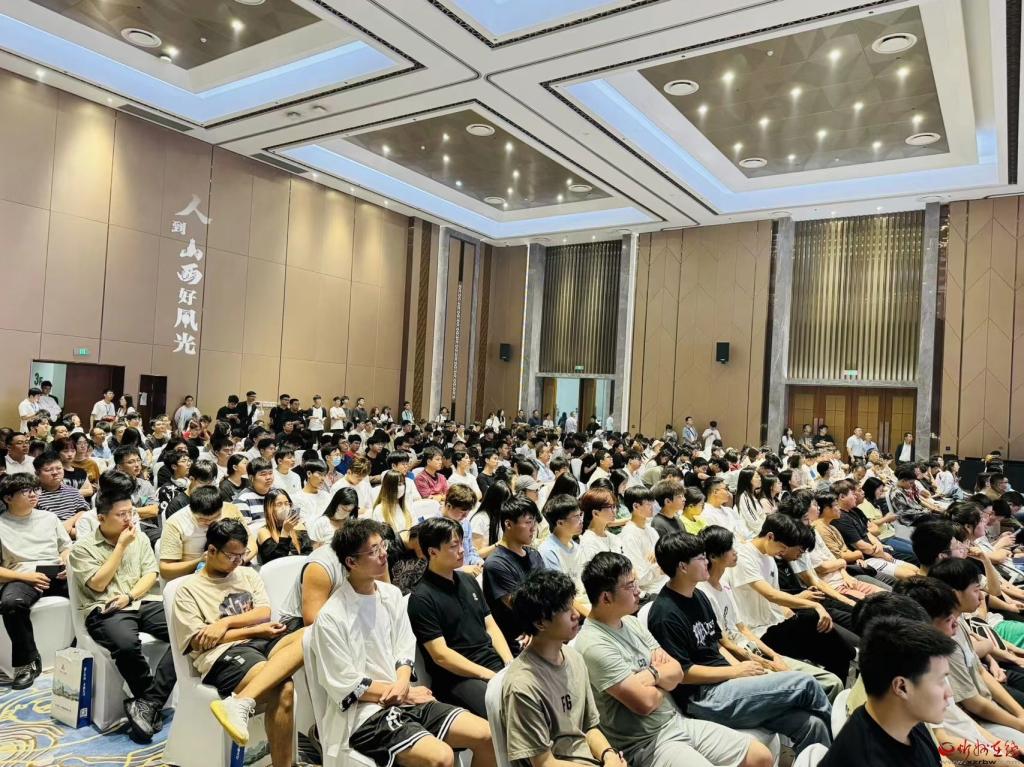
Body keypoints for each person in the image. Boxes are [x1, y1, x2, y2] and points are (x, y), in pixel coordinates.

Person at [307, 518, 496, 767]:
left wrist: (403, 685)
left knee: (487, 735)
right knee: (441, 757)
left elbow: (404, 648)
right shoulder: (331, 616)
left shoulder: (391, 594)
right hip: (364, 714)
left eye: (383, 546)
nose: (384, 554)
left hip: (404, 695)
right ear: (351, 562)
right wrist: (403, 692)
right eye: (373, 551)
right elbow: (346, 683)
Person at [575, 552, 772, 767]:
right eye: (630, 586)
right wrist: (660, 675)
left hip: (676, 721)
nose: (638, 591)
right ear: (606, 598)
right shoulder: (594, 644)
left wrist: (651, 676)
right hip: (646, 742)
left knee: (760, 756)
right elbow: (645, 703)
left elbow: (677, 671)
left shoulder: (631, 623)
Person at [647, 530, 832, 754]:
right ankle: (849, 752)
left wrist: (743, 670)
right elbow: (684, 674)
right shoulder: (664, 614)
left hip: (728, 683)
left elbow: (716, 644)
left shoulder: (698, 595)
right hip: (705, 697)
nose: (707, 562)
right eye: (701, 558)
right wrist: (735, 671)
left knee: (813, 725)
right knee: (805, 684)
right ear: (683, 567)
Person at [171, 519, 306, 764]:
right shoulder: (188, 589)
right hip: (223, 655)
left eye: (242, 555)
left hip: (260, 638)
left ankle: (241, 702)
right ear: (212, 550)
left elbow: (263, 612)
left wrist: (224, 624)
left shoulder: (246, 573)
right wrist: (252, 630)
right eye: (232, 556)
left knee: (313, 633)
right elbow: (199, 641)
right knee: (283, 687)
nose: (238, 561)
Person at [68, 472, 175, 743]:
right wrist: (120, 547)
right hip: (105, 609)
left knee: (186, 630)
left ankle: (149, 702)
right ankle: (148, 698)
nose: (129, 519)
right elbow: (98, 584)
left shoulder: (140, 538)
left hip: (139, 601)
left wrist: (130, 596)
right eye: (121, 514)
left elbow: (150, 574)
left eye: (131, 512)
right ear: (101, 518)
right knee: (126, 646)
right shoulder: (82, 548)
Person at [502, 568, 626, 767]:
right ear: (540, 622)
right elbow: (544, 763)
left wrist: (609, 755)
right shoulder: (522, 685)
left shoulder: (574, 657)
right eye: (567, 609)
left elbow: (590, 728)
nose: (576, 614)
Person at [408, 517, 512, 717]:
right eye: (453, 546)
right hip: (458, 677)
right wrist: (487, 675)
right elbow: (441, 655)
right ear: (432, 552)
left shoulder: (468, 580)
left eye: (462, 543)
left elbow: (490, 626)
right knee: (504, 710)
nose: (462, 550)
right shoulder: (421, 598)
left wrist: (509, 663)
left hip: (492, 664)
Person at [730, 514, 855, 680]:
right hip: (760, 631)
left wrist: (796, 612)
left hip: (776, 622)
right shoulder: (744, 556)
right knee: (814, 619)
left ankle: (846, 661)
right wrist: (814, 605)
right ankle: (849, 657)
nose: (783, 552)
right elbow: (771, 595)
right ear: (770, 536)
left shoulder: (768, 557)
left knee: (837, 654)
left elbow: (777, 601)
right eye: (782, 547)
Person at [0, 472, 73, 689]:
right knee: (11, 604)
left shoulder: (49, 518)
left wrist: (66, 561)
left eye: (35, 490)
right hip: (22, 575)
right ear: (8, 498)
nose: (33, 495)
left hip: (54, 570)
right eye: (26, 491)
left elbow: (66, 547)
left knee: (91, 588)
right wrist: (26, 577)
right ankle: (27, 663)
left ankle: (82, 647)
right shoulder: (1, 524)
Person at [483, 495, 546, 655]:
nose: (533, 528)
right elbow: (518, 606)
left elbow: (549, 593)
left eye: (534, 522)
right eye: (528, 522)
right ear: (508, 524)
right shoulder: (496, 564)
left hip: (542, 626)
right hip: (518, 638)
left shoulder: (534, 554)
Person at [619, 484, 668, 598]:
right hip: (650, 590)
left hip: (665, 581)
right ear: (636, 506)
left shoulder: (651, 530)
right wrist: (661, 565)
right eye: (648, 504)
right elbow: (639, 577)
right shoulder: (629, 534)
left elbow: (665, 557)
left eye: (652, 503)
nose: (653, 507)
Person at [34, 450, 90, 538]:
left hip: (77, 534)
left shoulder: (73, 491)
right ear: (37, 474)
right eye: (48, 470)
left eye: (59, 468)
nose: (55, 472)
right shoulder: (34, 495)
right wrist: (68, 531)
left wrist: (69, 523)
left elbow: (84, 511)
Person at [257, 489, 312, 564]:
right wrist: (285, 532)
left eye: (286, 503)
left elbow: (308, 554)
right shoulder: (264, 532)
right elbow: (275, 563)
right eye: (279, 504)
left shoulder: (298, 526)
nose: (284, 507)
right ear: (269, 509)